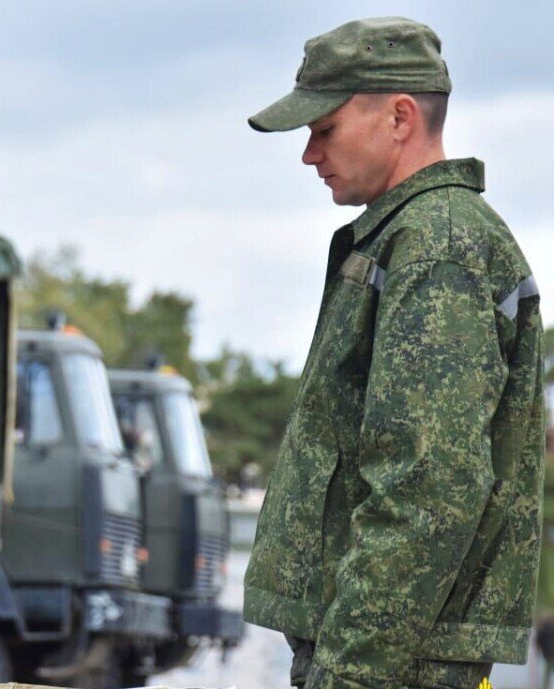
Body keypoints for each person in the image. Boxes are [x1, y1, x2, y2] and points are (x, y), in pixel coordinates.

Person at [243, 17, 545, 689]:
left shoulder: (436, 244)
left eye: (323, 129)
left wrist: (350, 674)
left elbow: (427, 485)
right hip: (393, 655)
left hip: (394, 663)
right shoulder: (408, 237)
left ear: (399, 116)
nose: (309, 154)